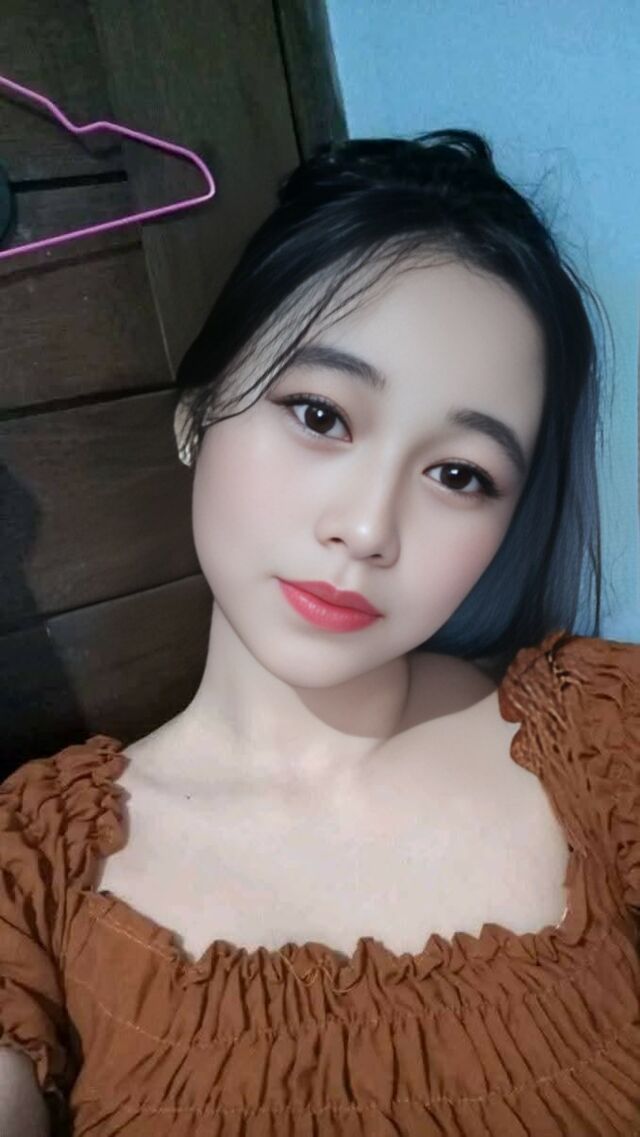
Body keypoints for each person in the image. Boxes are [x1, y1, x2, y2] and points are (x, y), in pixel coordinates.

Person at [1, 129, 638, 1136]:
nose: (369, 528)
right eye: (320, 415)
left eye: (459, 474)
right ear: (198, 413)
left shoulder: (610, 736)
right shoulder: (31, 871)